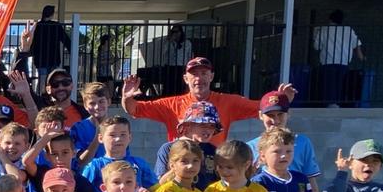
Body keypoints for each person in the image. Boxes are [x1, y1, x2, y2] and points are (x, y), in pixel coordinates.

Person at [122, 57, 289, 145]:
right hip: (181, 167)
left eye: (204, 73)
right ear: (185, 78)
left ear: (211, 77)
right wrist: (127, 97)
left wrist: (282, 100)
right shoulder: (171, 104)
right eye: (194, 74)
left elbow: (265, 107)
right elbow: (133, 109)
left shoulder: (228, 101)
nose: (199, 78)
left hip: (213, 169)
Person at [80, 116, 158, 192]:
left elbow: (155, 190)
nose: (118, 139)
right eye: (112, 135)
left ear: (130, 137)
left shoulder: (139, 164)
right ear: (100, 138)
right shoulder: (94, 166)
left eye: (123, 134)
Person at [153, 101, 221, 190]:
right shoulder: (168, 148)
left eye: (212, 126)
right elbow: (159, 184)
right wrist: (178, 167)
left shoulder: (213, 150)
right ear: (188, 125)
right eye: (203, 125)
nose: (208, 130)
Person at [312, 10, 364, 107]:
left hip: (328, 61)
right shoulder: (348, 30)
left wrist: (315, 35)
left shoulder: (324, 29)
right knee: (340, 84)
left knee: (328, 84)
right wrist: (361, 56)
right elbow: (357, 44)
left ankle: (331, 104)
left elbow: (317, 46)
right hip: (343, 61)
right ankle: (338, 104)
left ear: (330, 19)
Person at [29, 6, 71, 87]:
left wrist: (31, 52)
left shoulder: (37, 26)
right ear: (51, 14)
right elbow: (66, 40)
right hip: (54, 58)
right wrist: (71, 50)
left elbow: (32, 42)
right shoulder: (56, 25)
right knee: (53, 81)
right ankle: (51, 97)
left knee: (42, 81)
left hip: (40, 59)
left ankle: (41, 97)